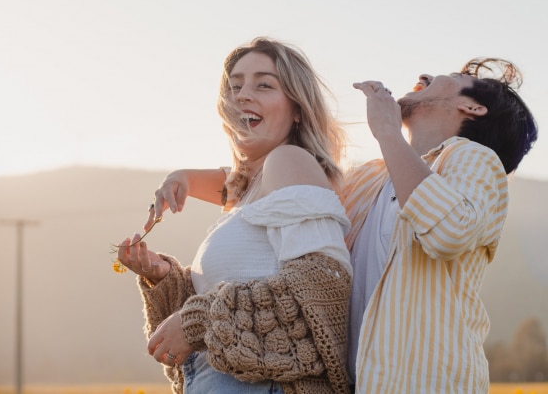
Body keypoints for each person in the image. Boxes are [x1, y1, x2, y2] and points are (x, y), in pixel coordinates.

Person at [150, 58, 538, 394]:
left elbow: (449, 231)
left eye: (446, 76)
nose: (423, 75)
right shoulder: (371, 177)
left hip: (428, 380)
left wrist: (386, 130)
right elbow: (282, 188)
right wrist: (185, 176)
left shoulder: (472, 159)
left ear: (472, 107)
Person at [117, 37, 354, 393]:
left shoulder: (289, 162)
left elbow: (321, 290)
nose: (242, 95)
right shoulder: (250, 191)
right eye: (235, 85)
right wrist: (166, 278)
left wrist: (196, 323)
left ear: (298, 109)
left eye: (264, 84)